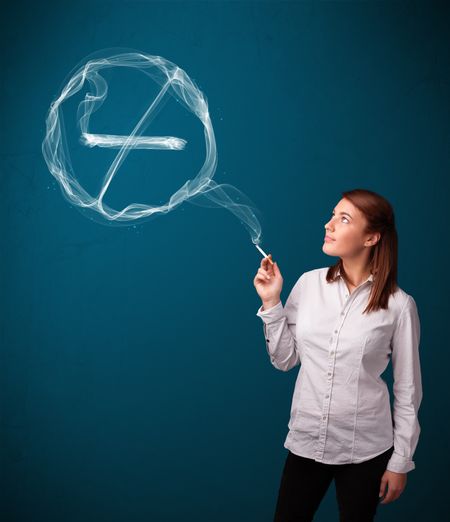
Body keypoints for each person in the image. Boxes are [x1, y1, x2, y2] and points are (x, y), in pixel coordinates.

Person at [253, 189, 422, 522]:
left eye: (343, 219)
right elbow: (285, 360)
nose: (328, 225)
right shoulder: (308, 283)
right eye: (332, 215)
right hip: (306, 441)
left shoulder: (400, 305)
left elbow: (408, 391)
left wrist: (400, 461)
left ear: (371, 237)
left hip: (367, 450)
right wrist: (272, 301)